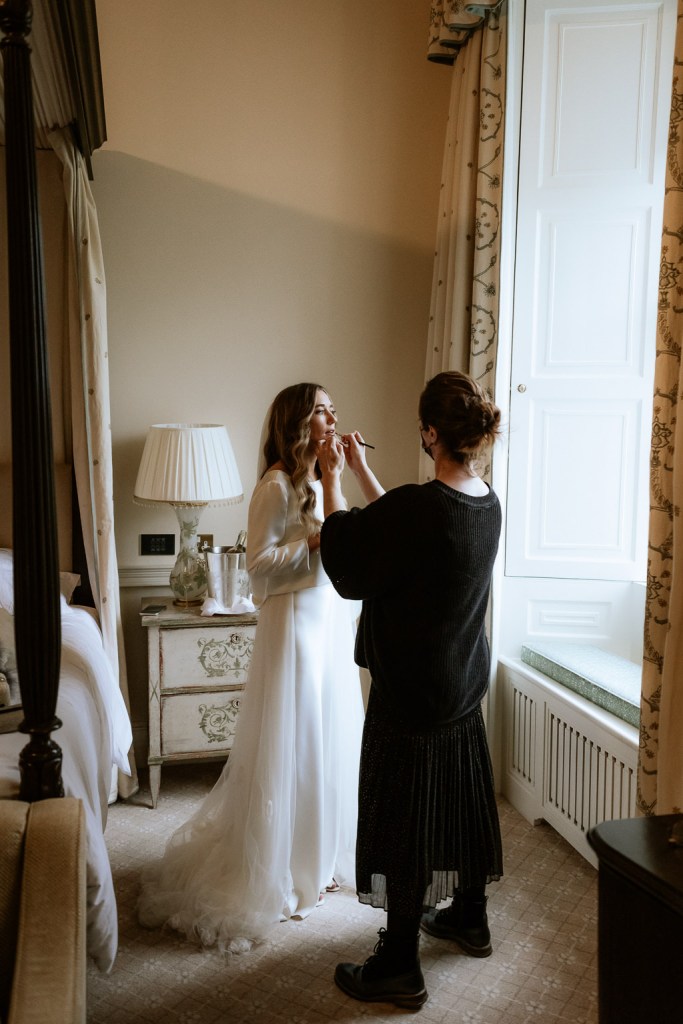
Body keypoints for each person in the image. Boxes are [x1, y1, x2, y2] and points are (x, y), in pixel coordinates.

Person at [137, 383, 365, 952]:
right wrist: (316, 542)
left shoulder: (318, 479)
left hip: (327, 618)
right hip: (293, 626)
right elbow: (259, 570)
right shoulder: (274, 486)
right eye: (321, 409)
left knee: (329, 734)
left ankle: (323, 854)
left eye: (334, 407)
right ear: (297, 421)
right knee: (297, 738)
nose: (333, 416)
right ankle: (286, 863)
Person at [317, 370, 503, 1010]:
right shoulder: (484, 501)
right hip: (462, 685)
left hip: (413, 695)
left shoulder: (419, 512)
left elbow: (351, 560)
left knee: (403, 821)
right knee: (464, 799)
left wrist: (331, 480)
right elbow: (402, 524)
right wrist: (366, 478)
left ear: (429, 432)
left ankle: (398, 962)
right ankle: (469, 917)